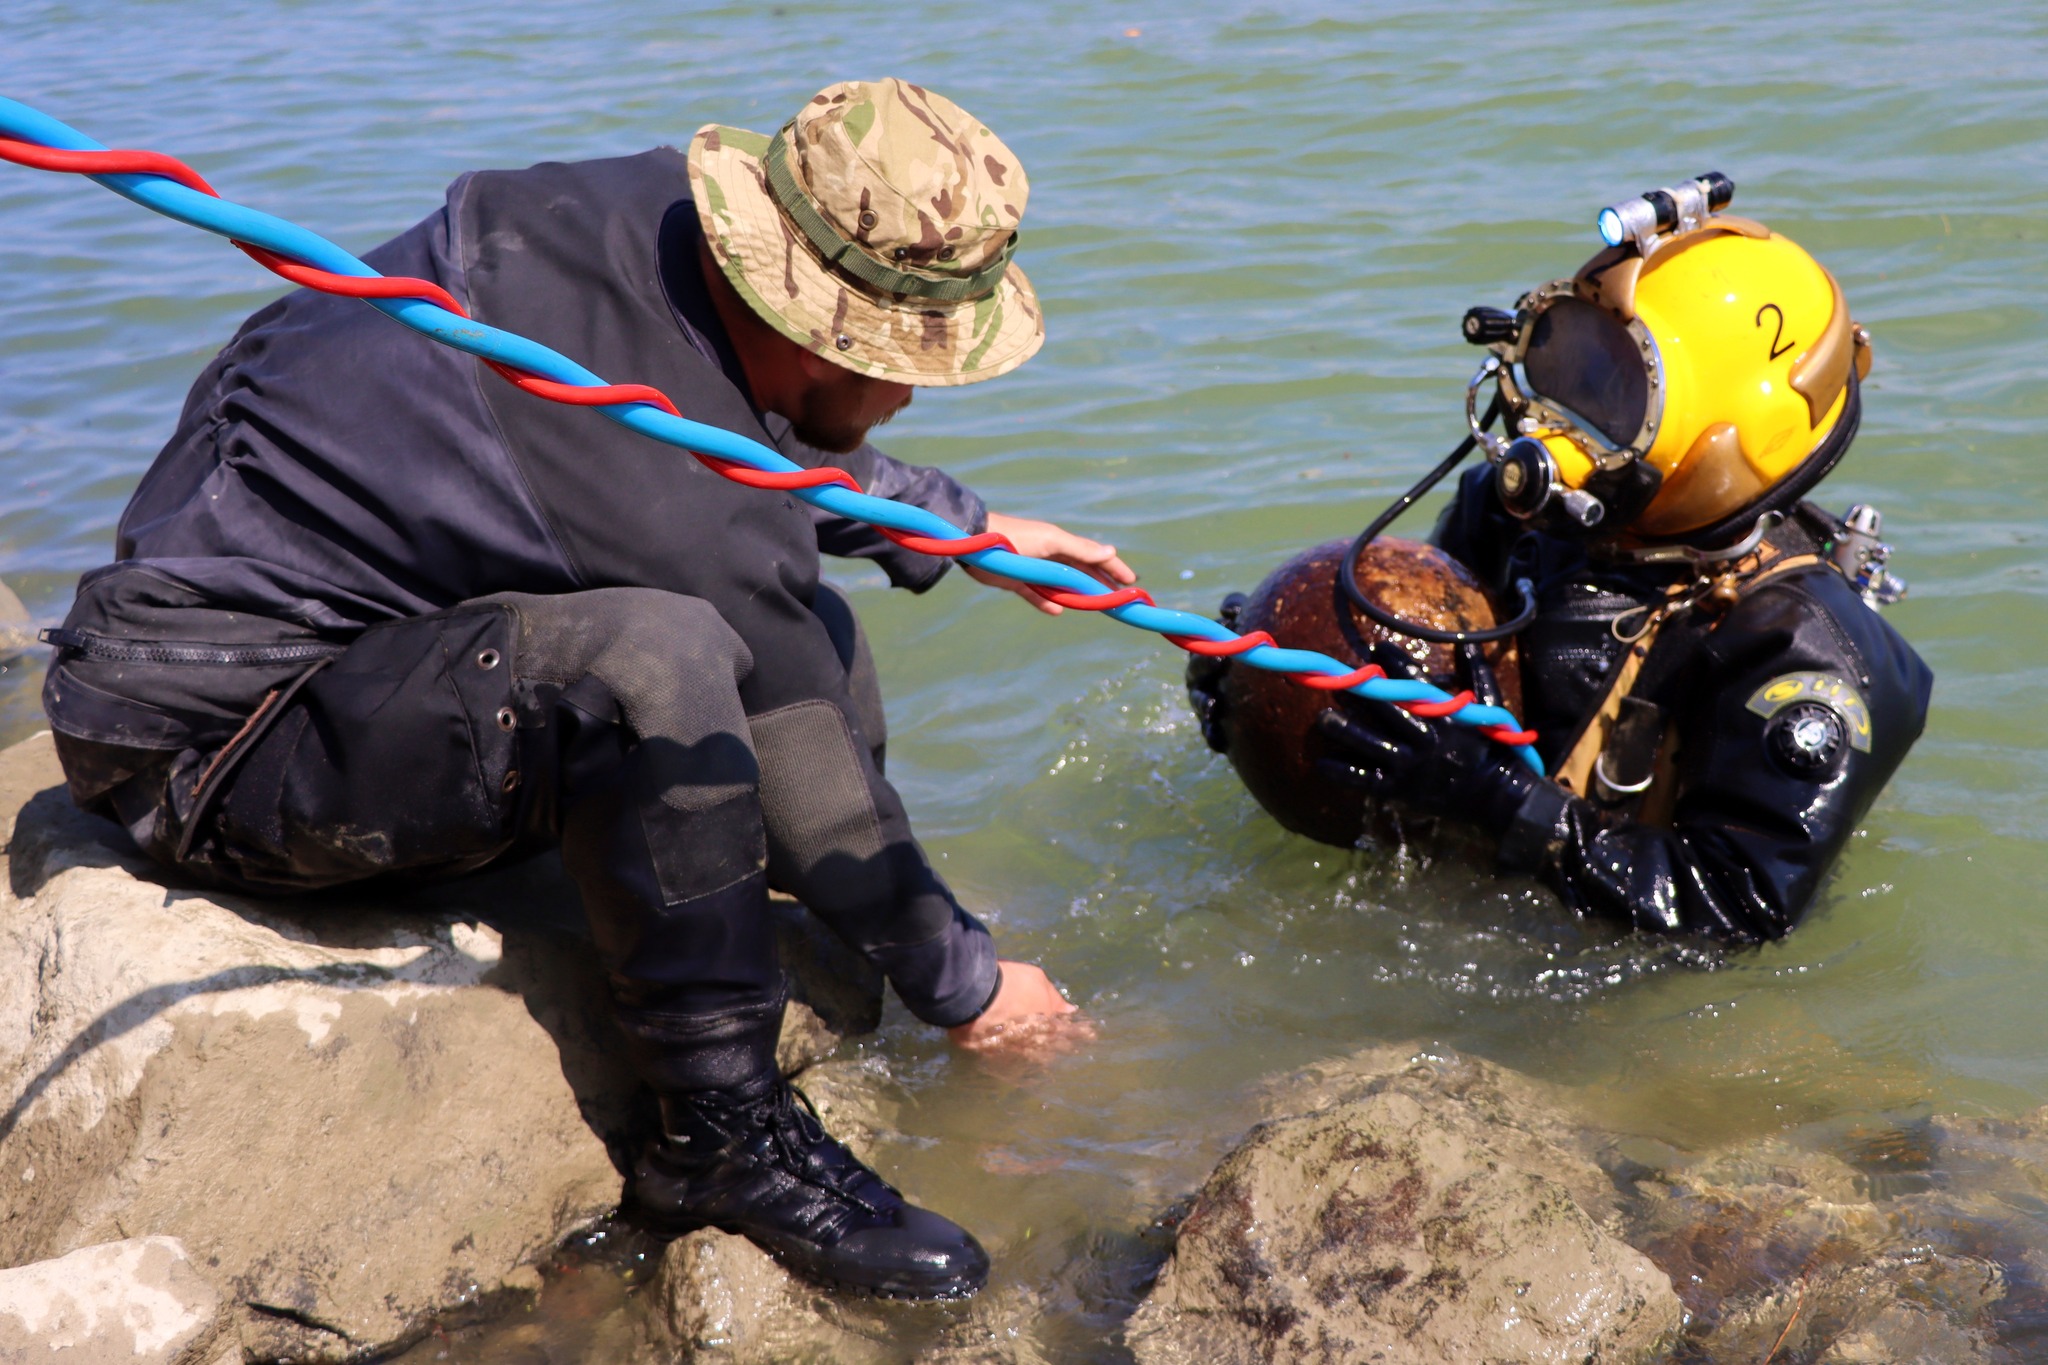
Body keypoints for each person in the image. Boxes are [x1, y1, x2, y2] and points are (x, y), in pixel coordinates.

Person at [41, 77, 1128, 1300]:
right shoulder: (652, 495)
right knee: (664, 659)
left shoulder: (653, 219)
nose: (911, 392)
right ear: (803, 311)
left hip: (353, 646)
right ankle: (720, 1139)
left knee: (785, 617)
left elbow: (723, 429)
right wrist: (968, 987)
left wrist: (962, 526)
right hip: (214, 740)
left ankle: (750, 895)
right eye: (892, 361)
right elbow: (767, 669)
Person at [1189, 183, 1932, 942]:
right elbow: (1438, 685)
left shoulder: (1808, 650)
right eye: (1568, 361)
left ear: (1717, 447)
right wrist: (1275, 698)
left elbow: (1741, 906)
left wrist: (1505, 804)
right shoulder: (1515, 515)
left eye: (1610, 394)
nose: (1552, 419)